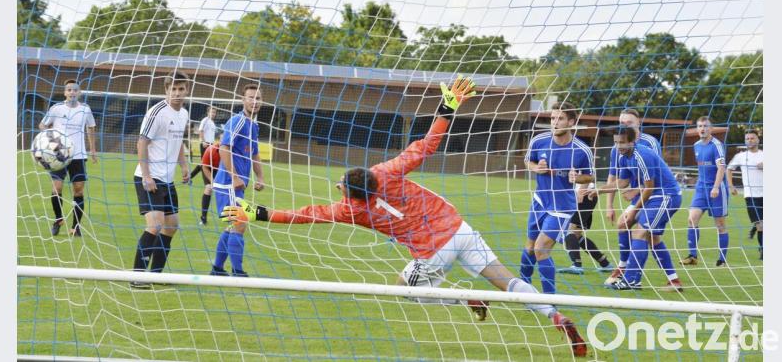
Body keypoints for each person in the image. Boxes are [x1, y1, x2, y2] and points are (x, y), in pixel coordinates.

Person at [220, 76, 587, 357]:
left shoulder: (352, 211)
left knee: (405, 289)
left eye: (340, 186)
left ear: (351, 193)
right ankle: (553, 314)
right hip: (459, 228)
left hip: (432, 250)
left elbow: (304, 215)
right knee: (506, 280)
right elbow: (426, 146)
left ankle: (466, 299)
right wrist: (446, 108)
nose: (337, 188)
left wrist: (257, 213)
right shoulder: (387, 171)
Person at [521, 102, 594, 294]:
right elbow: (528, 160)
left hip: (562, 207)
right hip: (539, 201)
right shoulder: (539, 141)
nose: (555, 122)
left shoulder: (582, 150)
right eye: (553, 118)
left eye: (560, 118)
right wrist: (537, 168)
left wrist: (577, 178)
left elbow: (591, 176)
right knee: (529, 248)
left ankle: (549, 300)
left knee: (541, 248)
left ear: (571, 121)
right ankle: (522, 292)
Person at [599, 126, 684, 292]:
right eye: (616, 142)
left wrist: (633, 210)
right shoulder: (623, 156)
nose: (619, 146)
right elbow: (622, 182)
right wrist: (598, 191)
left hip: (666, 196)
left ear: (633, 141)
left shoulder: (641, 155)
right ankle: (674, 281)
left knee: (639, 232)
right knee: (647, 236)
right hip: (654, 197)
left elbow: (649, 187)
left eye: (622, 142)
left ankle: (631, 279)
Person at [130, 72, 191, 289]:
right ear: (166, 90)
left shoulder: (184, 113)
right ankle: (137, 276)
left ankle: (156, 274)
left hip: (167, 179)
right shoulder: (157, 112)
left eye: (180, 89)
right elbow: (142, 142)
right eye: (172, 89)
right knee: (155, 224)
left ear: (186, 90)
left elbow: (178, 142)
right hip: (149, 177)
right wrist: (146, 175)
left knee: (172, 225)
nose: (176, 93)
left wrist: (183, 165)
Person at [209, 84, 265, 277]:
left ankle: (217, 268)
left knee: (233, 225)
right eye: (251, 97)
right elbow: (224, 147)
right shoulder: (238, 121)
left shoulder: (254, 126)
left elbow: (255, 154)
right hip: (227, 183)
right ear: (243, 100)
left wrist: (260, 177)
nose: (254, 101)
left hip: (237, 184)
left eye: (258, 98)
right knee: (240, 224)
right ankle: (238, 272)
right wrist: (234, 176)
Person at [603, 109, 663, 284]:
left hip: (654, 194)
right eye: (622, 122)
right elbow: (613, 177)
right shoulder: (617, 146)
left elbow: (655, 176)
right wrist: (609, 205)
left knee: (645, 234)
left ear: (639, 123)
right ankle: (627, 269)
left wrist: (636, 190)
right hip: (639, 194)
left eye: (628, 122)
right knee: (629, 227)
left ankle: (630, 274)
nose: (624, 125)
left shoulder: (650, 143)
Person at [39, 79, 98, 237]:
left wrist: (92, 149)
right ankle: (58, 220)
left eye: (75, 90)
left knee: (78, 191)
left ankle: (76, 227)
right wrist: (52, 140)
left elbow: (91, 127)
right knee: (56, 188)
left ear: (79, 93)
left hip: (78, 155)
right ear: (65, 92)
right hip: (59, 155)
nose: (72, 92)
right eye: (69, 90)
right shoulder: (56, 108)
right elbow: (42, 125)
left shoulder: (85, 109)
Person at [681, 116, 730, 267]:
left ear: (711, 128)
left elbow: (721, 167)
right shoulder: (696, 145)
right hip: (701, 188)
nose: (702, 129)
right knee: (691, 219)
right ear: (697, 128)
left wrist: (715, 187)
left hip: (717, 189)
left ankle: (722, 259)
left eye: (705, 126)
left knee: (720, 224)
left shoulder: (717, 145)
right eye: (700, 126)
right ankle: (692, 256)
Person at [556, 182, 613, 274]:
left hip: (583, 195)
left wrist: (580, 193)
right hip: (587, 195)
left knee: (569, 231)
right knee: (577, 235)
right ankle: (605, 264)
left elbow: (586, 174)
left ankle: (577, 265)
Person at [727, 129, 763, 260]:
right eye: (747, 139)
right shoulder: (740, 156)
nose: (750, 140)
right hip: (751, 195)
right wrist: (731, 186)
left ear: (758, 140)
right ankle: (763, 250)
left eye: (752, 138)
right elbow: (729, 169)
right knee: (761, 224)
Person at [190, 106, 217, 181]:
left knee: (206, 163)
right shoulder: (205, 120)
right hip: (205, 144)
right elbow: (200, 130)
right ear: (208, 112)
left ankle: (190, 177)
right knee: (205, 163)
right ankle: (208, 180)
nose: (213, 114)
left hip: (211, 145)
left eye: (214, 112)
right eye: (212, 112)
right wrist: (203, 141)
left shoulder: (212, 122)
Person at [199, 138, 222, 225]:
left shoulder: (231, 151)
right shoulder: (211, 150)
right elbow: (204, 166)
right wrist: (212, 181)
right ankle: (203, 217)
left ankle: (230, 216)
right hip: (208, 168)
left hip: (220, 170)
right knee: (209, 188)